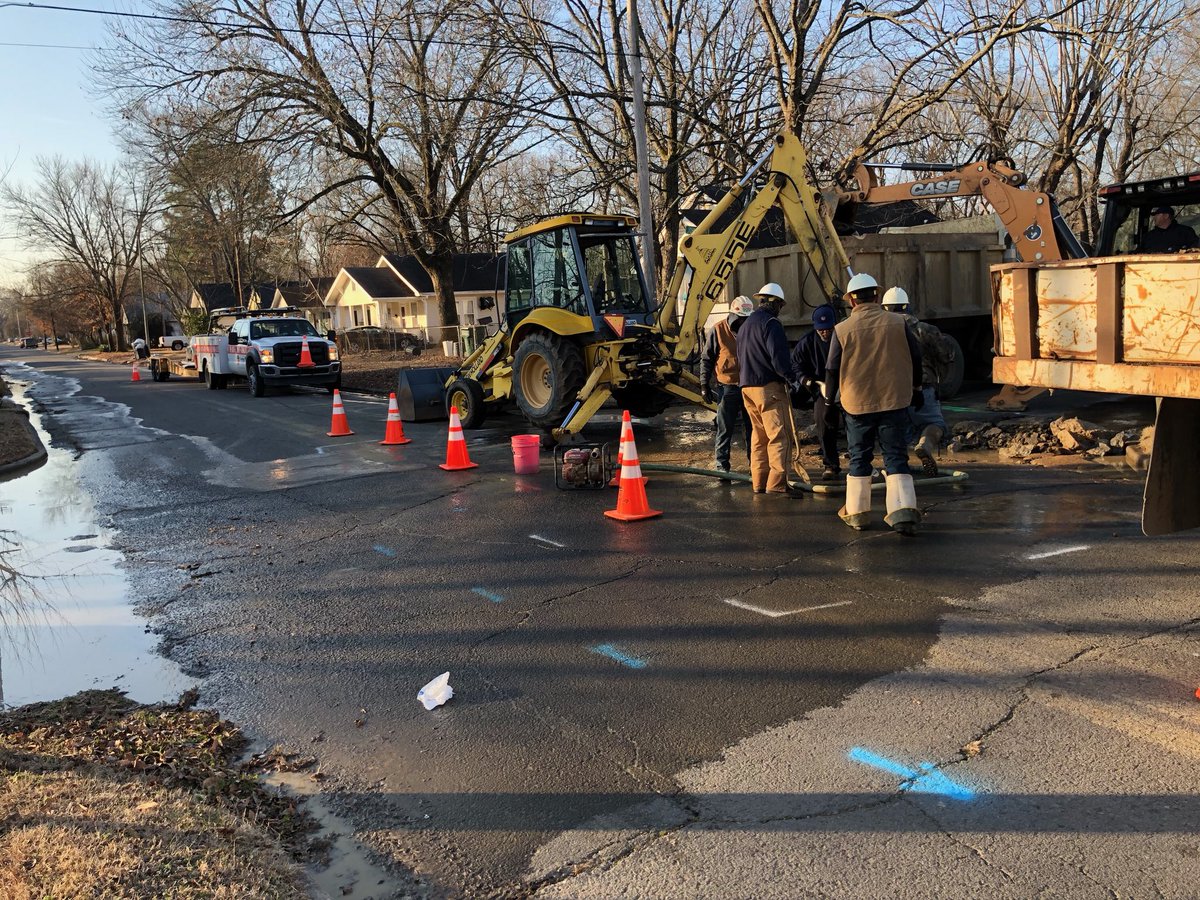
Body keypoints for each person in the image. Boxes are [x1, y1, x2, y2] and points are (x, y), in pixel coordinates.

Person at [825, 272, 924, 535]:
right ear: (877, 296)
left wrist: (828, 403)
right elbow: (916, 357)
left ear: (851, 301)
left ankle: (857, 514)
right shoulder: (898, 323)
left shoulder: (841, 329)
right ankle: (903, 513)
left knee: (860, 456)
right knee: (896, 455)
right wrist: (917, 389)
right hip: (894, 400)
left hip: (857, 404)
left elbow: (832, 369)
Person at [737, 282, 802, 495]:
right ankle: (777, 484)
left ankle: (759, 482)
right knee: (779, 436)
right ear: (775, 303)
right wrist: (793, 380)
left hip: (747, 387)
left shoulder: (746, 325)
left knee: (759, 437)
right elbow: (779, 360)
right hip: (768, 388)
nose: (780, 310)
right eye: (780, 305)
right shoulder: (771, 324)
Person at [881, 287, 950, 476]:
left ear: (885, 307)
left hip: (891, 391)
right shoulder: (925, 330)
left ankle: (898, 469)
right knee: (934, 423)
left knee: (896, 431)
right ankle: (925, 444)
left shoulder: (880, 332)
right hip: (923, 388)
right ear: (907, 306)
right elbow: (946, 355)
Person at [699, 295, 755, 472]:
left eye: (746, 319)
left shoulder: (751, 330)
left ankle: (755, 464)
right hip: (727, 388)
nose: (743, 322)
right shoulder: (718, 330)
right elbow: (707, 359)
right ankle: (722, 465)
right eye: (740, 319)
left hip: (748, 386)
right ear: (732, 315)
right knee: (725, 428)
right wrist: (704, 384)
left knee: (752, 428)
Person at [791, 304, 842, 480]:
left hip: (844, 386)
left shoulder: (843, 338)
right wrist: (806, 380)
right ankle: (831, 465)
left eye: (828, 329)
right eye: (821, 330)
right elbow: (796, 365)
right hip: (821, 388)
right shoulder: (807, 342)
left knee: (855, 425)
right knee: (823, 422)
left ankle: (862, 465)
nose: (825, 333)